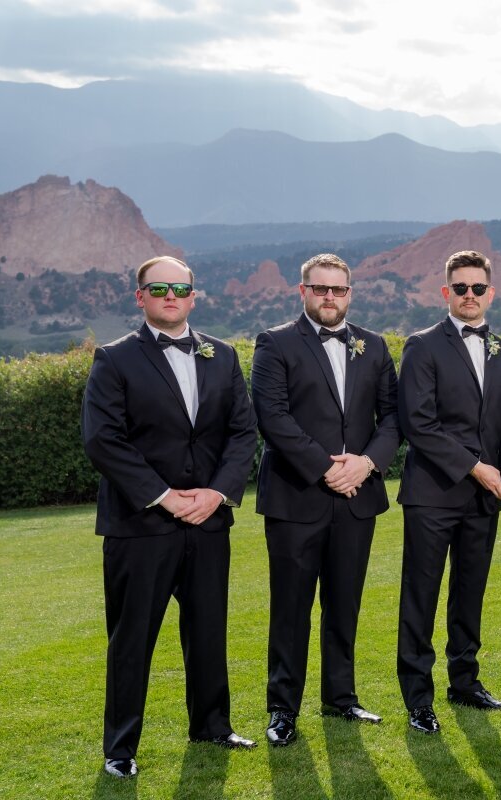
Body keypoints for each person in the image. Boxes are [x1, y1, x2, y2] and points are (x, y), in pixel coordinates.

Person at [82, 255, 259, 779]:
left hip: (208, 520)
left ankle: (212, 725)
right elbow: (102, 440)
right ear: (140, 297)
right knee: (133, 637)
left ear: (193, 296)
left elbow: (242, 433)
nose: (170, 295)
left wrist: (218, 494)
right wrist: (163, 496)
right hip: (140, 525)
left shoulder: (222, 355)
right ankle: (120, 748)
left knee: (208, 629)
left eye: (180, 288)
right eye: (158, 288)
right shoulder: (113, 359)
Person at [251, 253, 401, 746]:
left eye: (338, 290)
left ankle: (342, 697)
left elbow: (394, 420)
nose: (329, 298)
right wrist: (326, 469)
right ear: (303, 291)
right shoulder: (274, 343)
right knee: (291, 608)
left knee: (345, 604)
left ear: (350, 293)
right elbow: (273, 418)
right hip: (296, 498)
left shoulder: (374, 346)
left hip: (358, 497)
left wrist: (366, 463)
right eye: (320, 289)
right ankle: (282, 709)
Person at [395, 250, 501, 734]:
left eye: (477, 288)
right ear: (445, 292)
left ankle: (465, 683)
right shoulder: (422, 346)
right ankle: (418, 698)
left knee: (469, 594)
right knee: (421, 597)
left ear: (490, 293)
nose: (468, 296)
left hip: (484, 499)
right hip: (432, 494)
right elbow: (418, 424)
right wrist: (475, 468)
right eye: (459, 288)